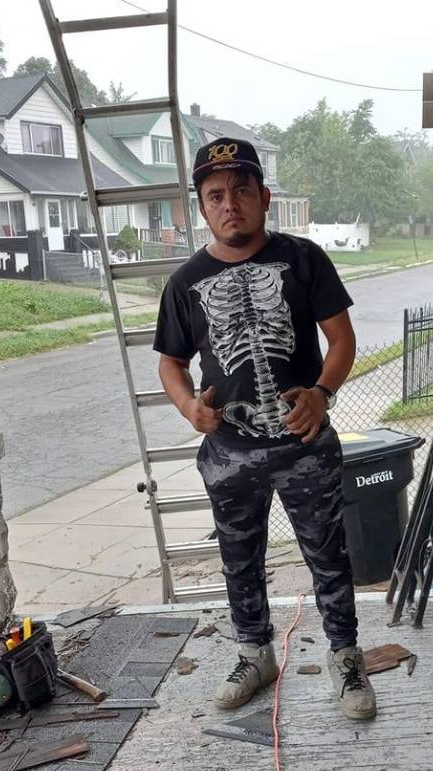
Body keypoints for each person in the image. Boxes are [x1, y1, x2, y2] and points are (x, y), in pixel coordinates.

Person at [153, 137, 376, 721]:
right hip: (229, 451)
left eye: (242, 190)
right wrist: (188, 407)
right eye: (216, 196)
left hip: (304, 446)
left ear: (265, 197)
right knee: (239, 558)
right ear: (203, 207)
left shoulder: (304, 259)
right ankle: (255, 654)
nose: (231, 204)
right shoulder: (184, 283)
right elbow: (171, 363)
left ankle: (345, 656)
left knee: (328, 554)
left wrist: (322, 394)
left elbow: (342, 339)